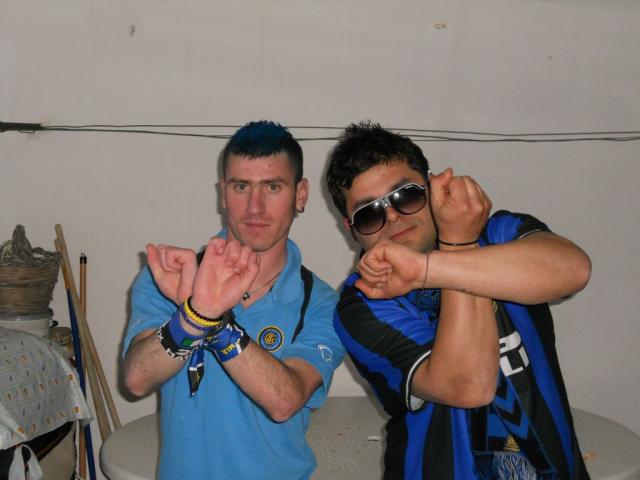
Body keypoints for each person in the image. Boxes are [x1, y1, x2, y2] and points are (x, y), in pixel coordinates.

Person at [326, 122, 591, 479]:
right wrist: (458, 245)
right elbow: (469, 386)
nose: (392, 216)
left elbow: (574, 270)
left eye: (405, 195)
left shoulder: (498, 234)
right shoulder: (362, 302)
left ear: (433, 187)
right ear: (351, 228)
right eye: (369, 213)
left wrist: (429, 268)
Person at [122, 120, 345, 480]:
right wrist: (194, 316)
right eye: (241, 186)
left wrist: (209, 319)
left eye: (273, 186)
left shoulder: (322, 303)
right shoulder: (170, 276)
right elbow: (136, 379)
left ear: (300, 194)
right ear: (223, 194)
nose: (255, 207)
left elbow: (284, 401)